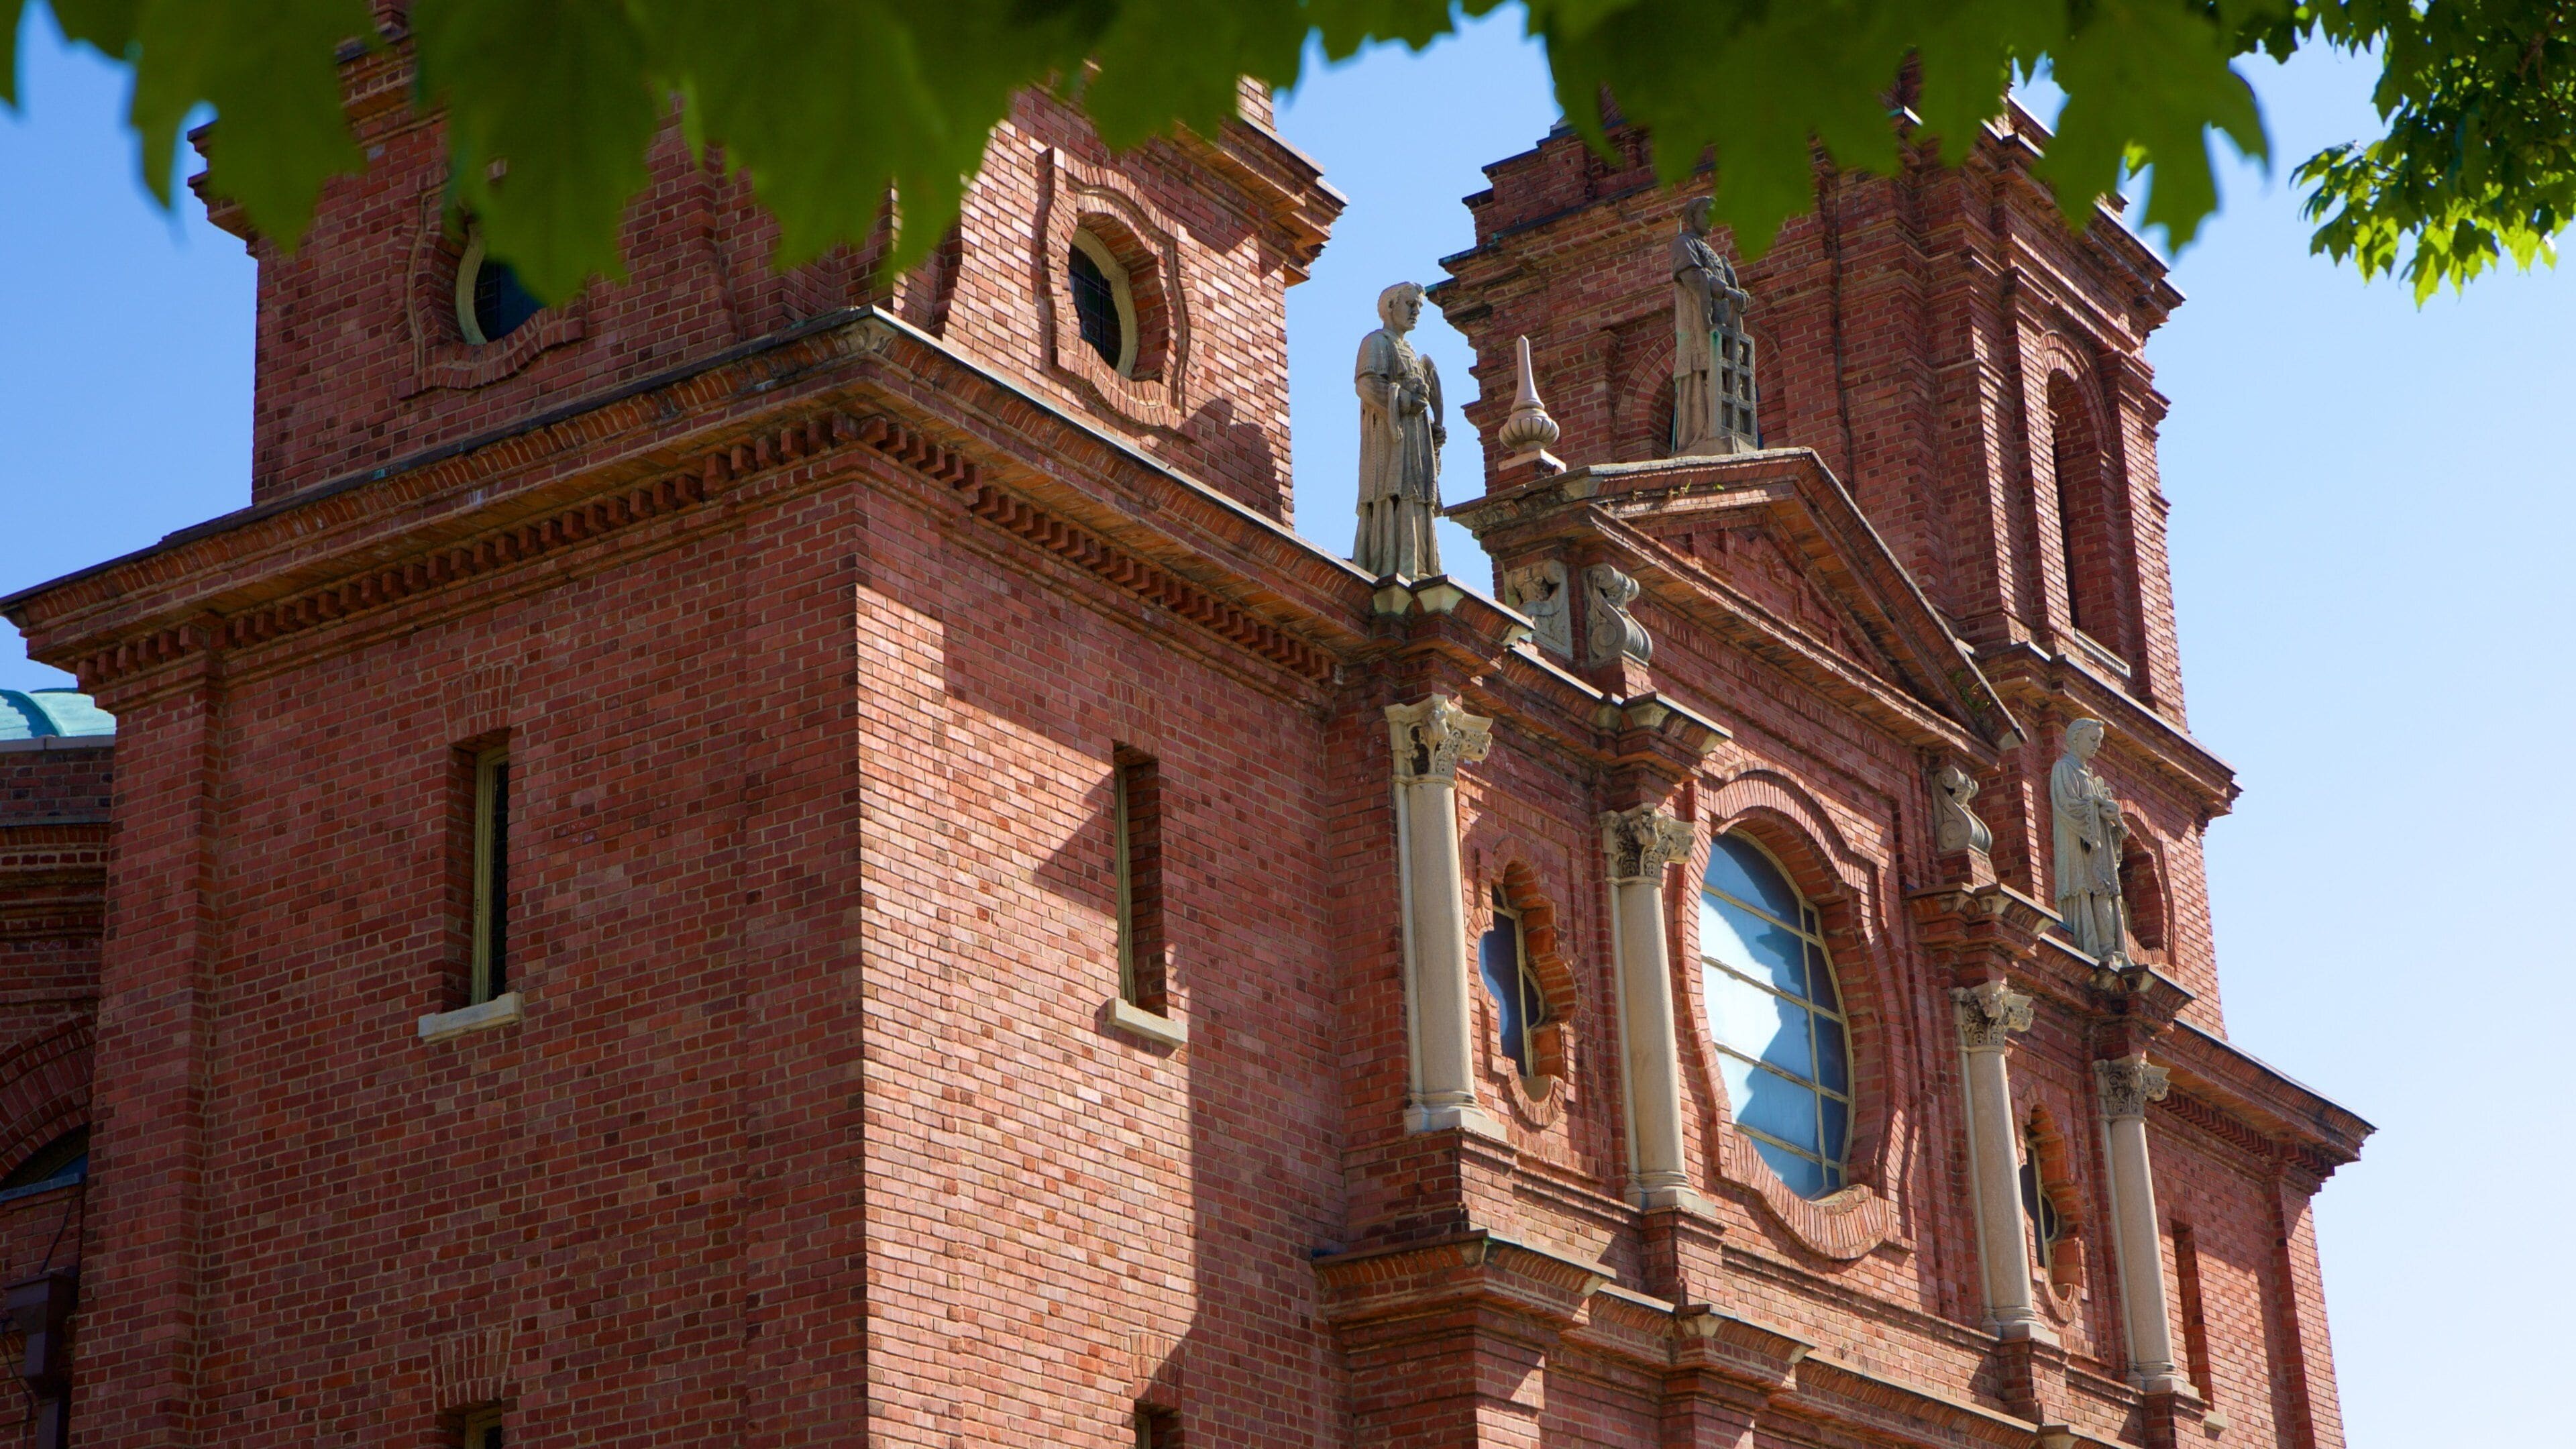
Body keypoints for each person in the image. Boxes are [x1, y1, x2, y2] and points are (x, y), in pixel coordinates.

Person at [1353, 282, 1446, 578]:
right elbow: (1366, 385)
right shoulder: (1377, 342)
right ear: (1391, 306)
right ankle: (1390, 560)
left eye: (1419, 307)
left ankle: (1418, 564)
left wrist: (1433, 433)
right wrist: (1404, 399)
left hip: (1415, 441)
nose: (1416, 311)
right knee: (1393, 491)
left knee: (1416, 494)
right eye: (1410, 304)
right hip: (1390, 441)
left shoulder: (1412, 352)